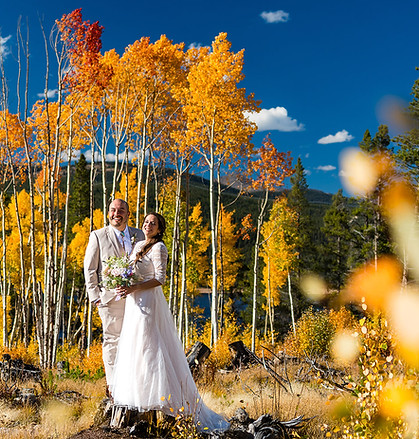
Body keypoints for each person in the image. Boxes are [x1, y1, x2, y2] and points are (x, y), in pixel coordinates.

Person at [110, 212, 229, 432]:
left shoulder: (159, 248)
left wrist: (134, 287)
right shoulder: (138, 245)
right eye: (146, 222)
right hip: (134, 301)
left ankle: (159, 395)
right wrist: (121, 283)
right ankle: (137, 390)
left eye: (153, 223)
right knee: (134, 344)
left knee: (149, 344)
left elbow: (159, 279)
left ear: (159, 228)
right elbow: (129, 272)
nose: (148, 225)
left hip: (148, 300)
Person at [84, 199, 144, 389]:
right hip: (109, 299)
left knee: (137, 340)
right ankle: (114, 387)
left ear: (127, 214)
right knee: (112, 341)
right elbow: (90, 268)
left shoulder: (139, 234)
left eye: (121, 210)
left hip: (137, 298)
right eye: (112, 210)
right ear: (108, 212)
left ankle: (133, 385)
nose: (116, 213)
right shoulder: (98, 236)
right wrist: (96, 297)